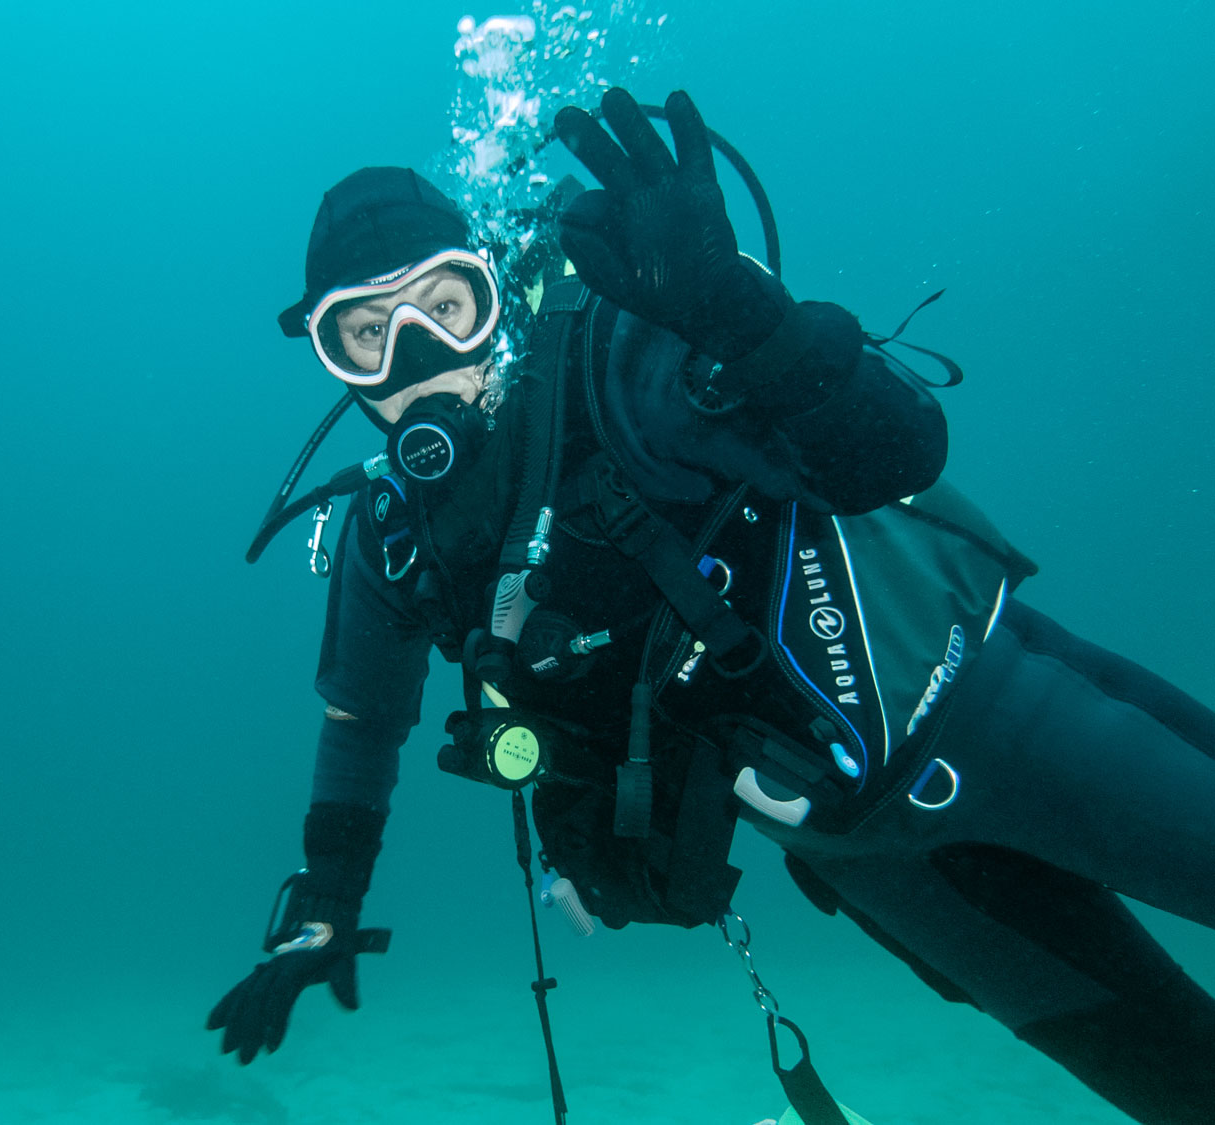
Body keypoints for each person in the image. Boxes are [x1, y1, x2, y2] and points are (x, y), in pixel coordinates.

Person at [208, 87, 1215, 1124]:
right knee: (1187, 1087)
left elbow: (900, 451)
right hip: (878, 860)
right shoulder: (397, 536)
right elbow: (362, 720)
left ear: (493, 291)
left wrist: (740, 313)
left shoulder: (629, 359)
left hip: (1016, 720)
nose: (417, 358)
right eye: (365, 335)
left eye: (445, 304)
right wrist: (325, 901)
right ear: (334, 364)